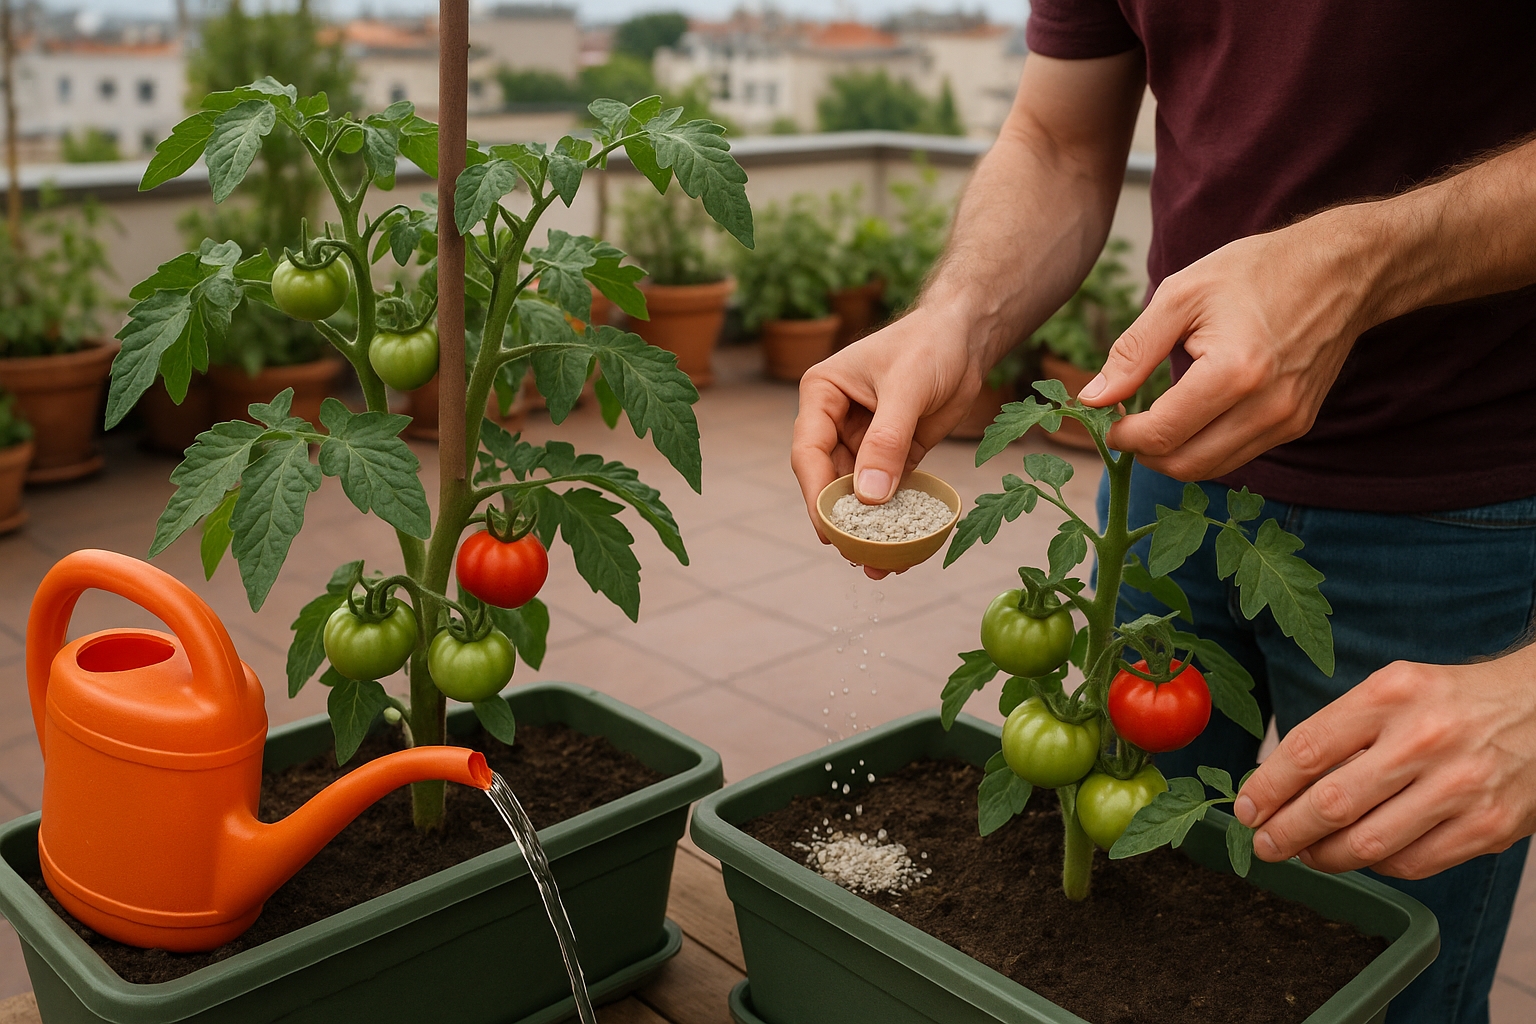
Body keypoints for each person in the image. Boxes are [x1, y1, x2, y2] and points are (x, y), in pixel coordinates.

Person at [789, 5, 1536, 1023]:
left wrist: (1369, 260)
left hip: (1461, 499)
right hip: (1166, 479)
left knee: (1385, 969)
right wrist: (957, 312)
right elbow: (1059, 137)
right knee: (1110, 915)